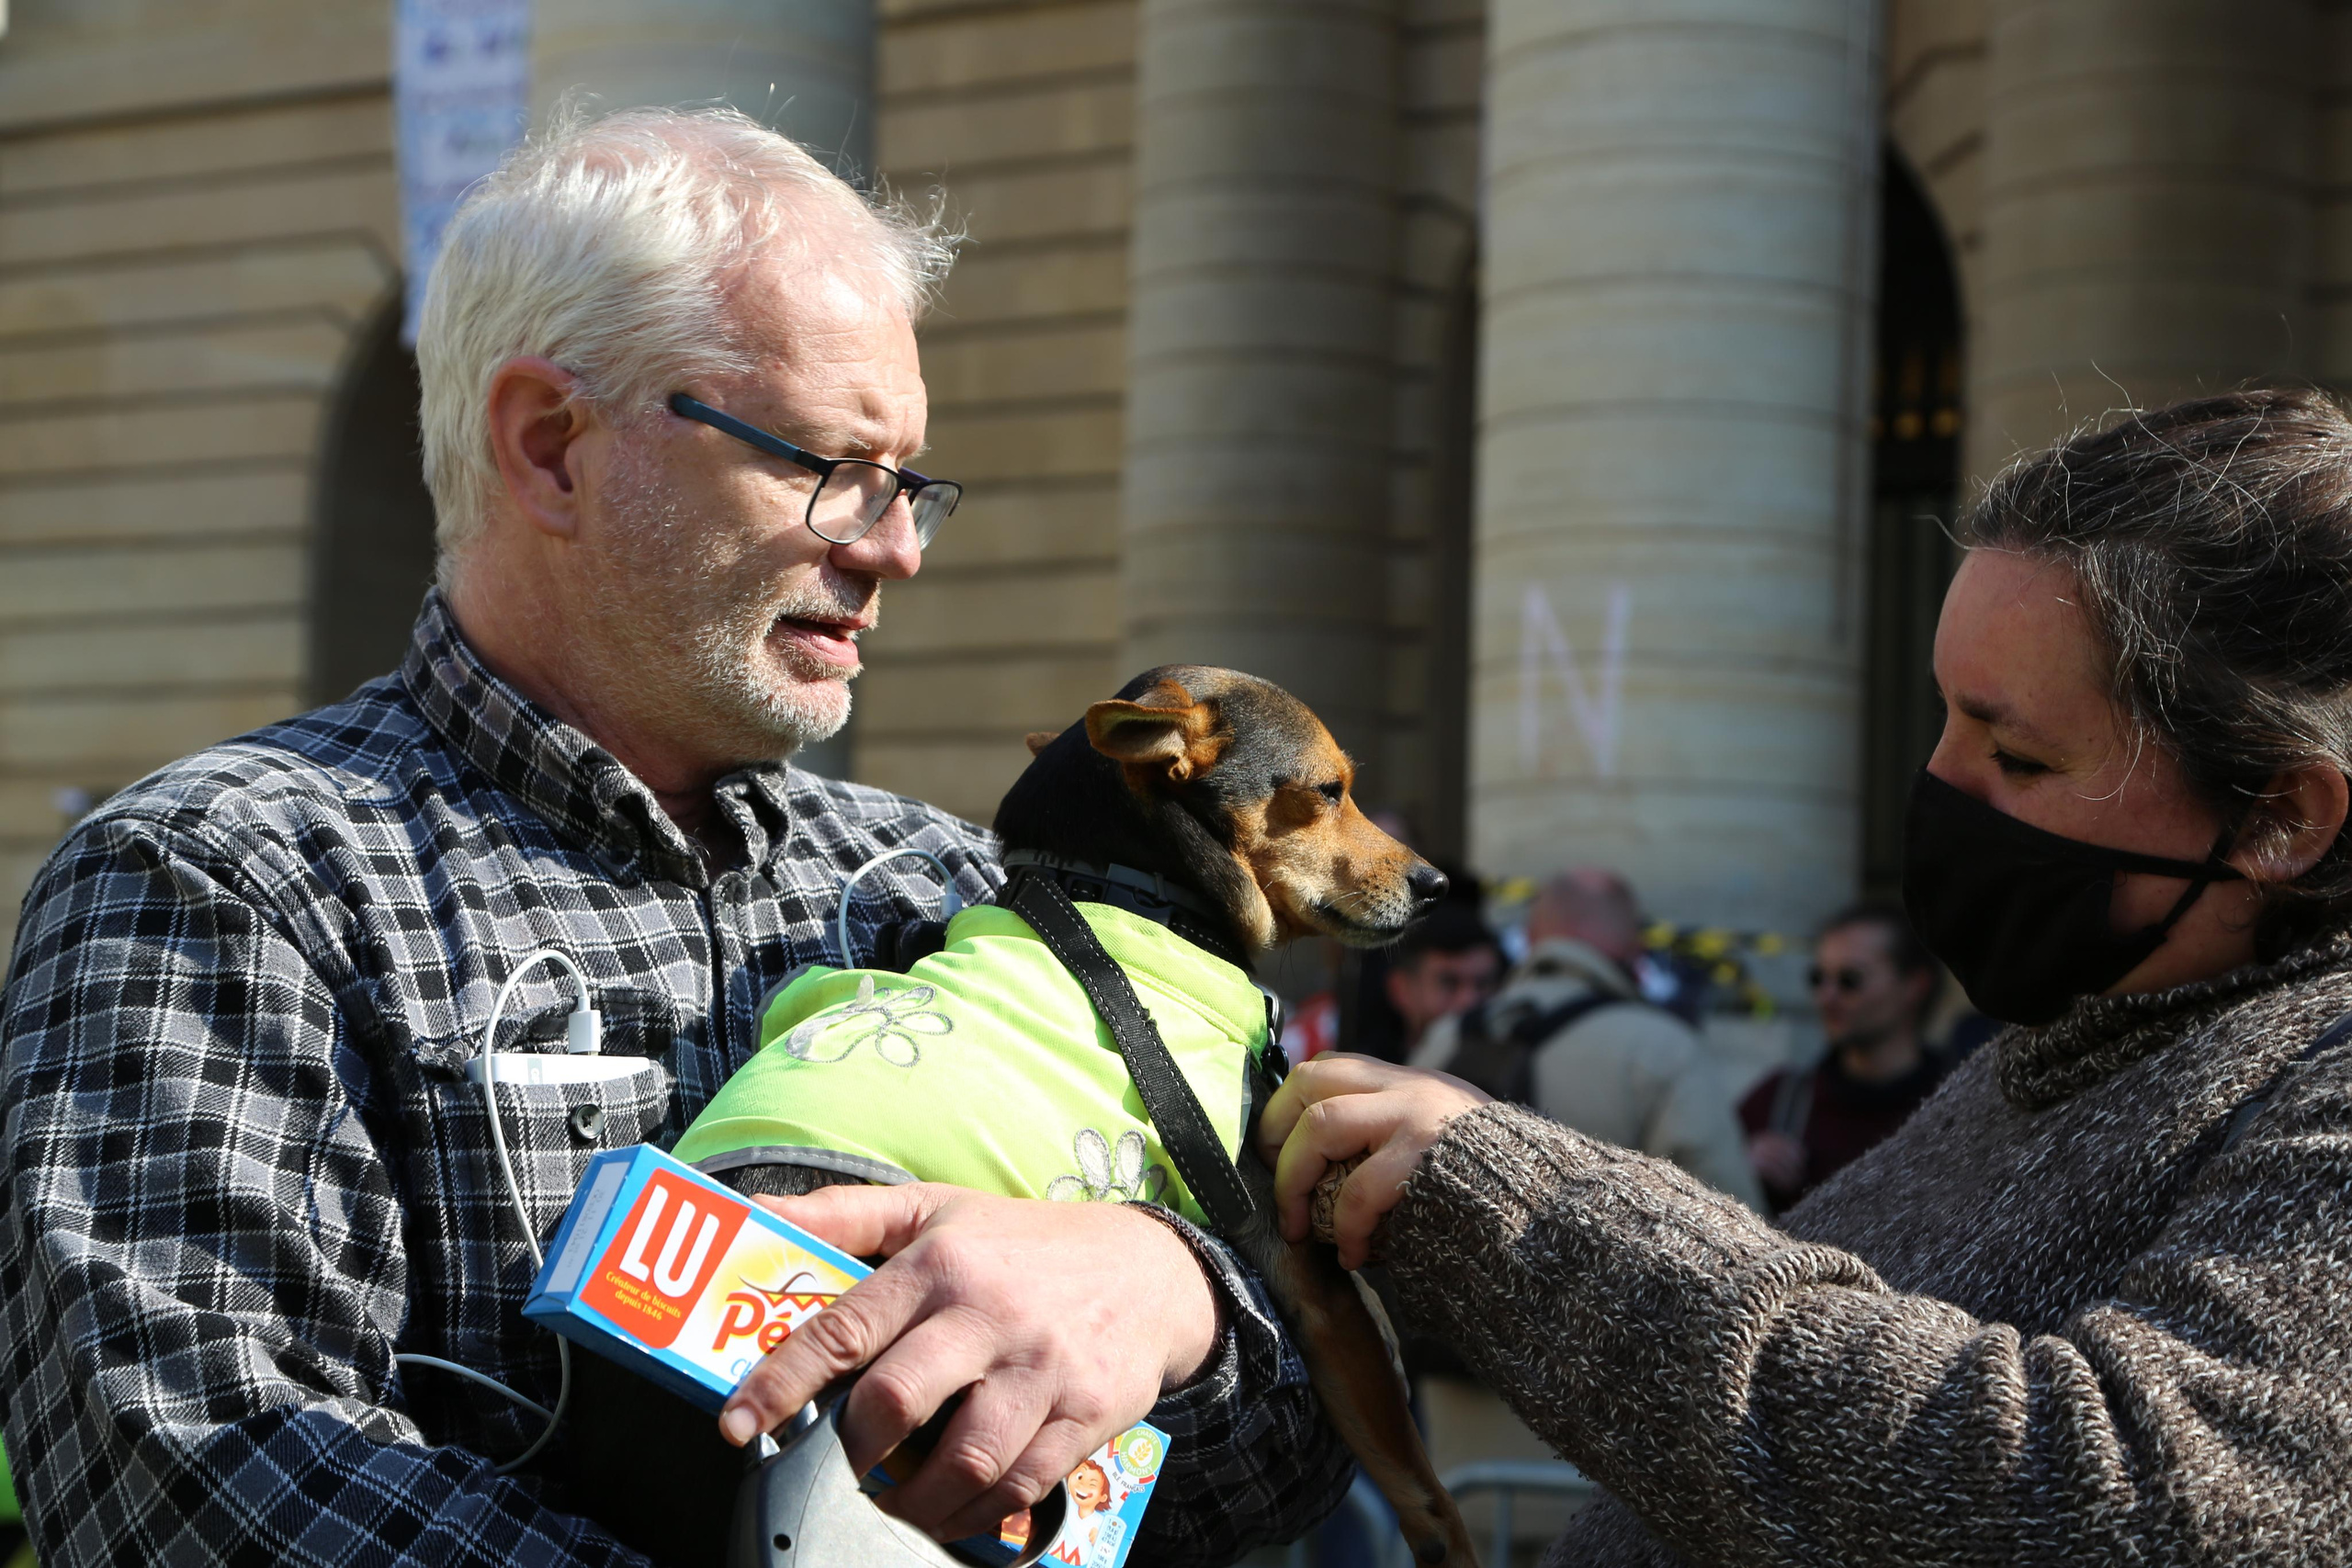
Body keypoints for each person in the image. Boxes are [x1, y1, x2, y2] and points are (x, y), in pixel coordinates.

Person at [0, 109, 1347, 1567]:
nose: (893, 547)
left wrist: (1172, 1296)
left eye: (910, 484)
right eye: (831, 464)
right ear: (551, 447)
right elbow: (194, 1478)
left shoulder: (959, 889)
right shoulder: (224, 877)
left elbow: (1289, 1468)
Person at [1261, 389, 2352, 1564]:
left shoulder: (2316, 1079)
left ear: (2280, 816)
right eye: (1943, 720)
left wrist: (1527, 1211)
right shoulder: (2051, 1057)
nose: (1937, 786)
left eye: (2018, 755)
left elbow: (2135, 1508)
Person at [1412, 868, 1762, 1208]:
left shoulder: (1448, 1035)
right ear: (1634, 947)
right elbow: (1734, 1214)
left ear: (1532, 938)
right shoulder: (1666, 1048)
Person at [1741, 902, 1945, 1210]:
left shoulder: (1958, 1100)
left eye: (1850, 980)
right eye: (1818, 978)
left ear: (1915, 985)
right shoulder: (1778, 1103)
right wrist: (1740, 1167)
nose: (1827, 996)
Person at [1380, 901, 1505, 1060]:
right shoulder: (1360, 1072)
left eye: (1483, 984)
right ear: (1401, 989)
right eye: (1449, 983)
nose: (1469, 1001)